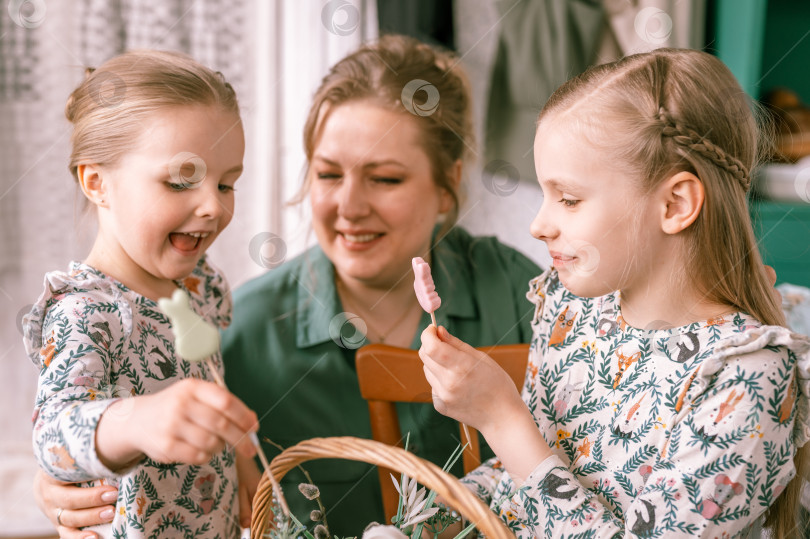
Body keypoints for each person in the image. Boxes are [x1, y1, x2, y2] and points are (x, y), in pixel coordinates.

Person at [33, 35, 541, 537]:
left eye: (385, 178)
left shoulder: (528, 300)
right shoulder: (249, 332)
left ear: (448, 183)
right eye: (326, 174)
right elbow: (85, 417)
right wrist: (75, 464)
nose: (350, 206)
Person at [419, 48, 810, 537]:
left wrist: (502, 420)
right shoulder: (572, 313)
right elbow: (515, 484)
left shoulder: (745, 380)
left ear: (675, 204)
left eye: (569, 199)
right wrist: (423, 528)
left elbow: (523, 451)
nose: (539, 225)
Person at [23, 50, 259, 538]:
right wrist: (135, 420)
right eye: (181, 181)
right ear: (97, 183)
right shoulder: (85, 310)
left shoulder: (200, 288)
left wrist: (243, 464)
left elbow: (211, 391)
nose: (213, 206)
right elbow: (52, 436)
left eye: (227, 183)